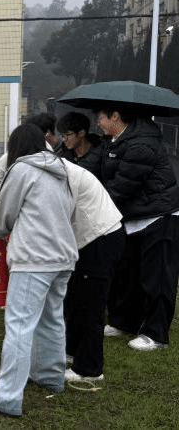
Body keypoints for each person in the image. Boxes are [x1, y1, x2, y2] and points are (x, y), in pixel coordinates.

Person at [0, 124, 78, 418]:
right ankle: (51, 377)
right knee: (52, 318)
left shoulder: (21, 169)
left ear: (16, 147)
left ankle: (7, 397)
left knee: (19, 325)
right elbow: (68, 210)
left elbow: (5, 213)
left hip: (35, 259)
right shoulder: (60, 169)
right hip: (63, 257)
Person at [95, 105, 179, 351]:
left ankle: (156, 334)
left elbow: (122, 186)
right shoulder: (115, 142)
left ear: (115, 117)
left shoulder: (141, 144)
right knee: (126, 274)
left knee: (157, 279)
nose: (98, 122)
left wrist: (94, 208)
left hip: (159, 217)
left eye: (100, 117)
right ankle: (124, 322)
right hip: (134, 217)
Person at [61, 159, 124, 382]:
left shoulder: (56, 172)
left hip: (100, 237)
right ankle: (72, 351)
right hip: (91, 238)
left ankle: (89, 369)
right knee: (75, 299)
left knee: (90, 304)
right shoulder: (52, 167)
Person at [56, 111, 103, 178]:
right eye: (62, 135)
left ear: (81, 133)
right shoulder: (63, 156)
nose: (64, 139)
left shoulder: (101, 154)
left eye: (68, 135)